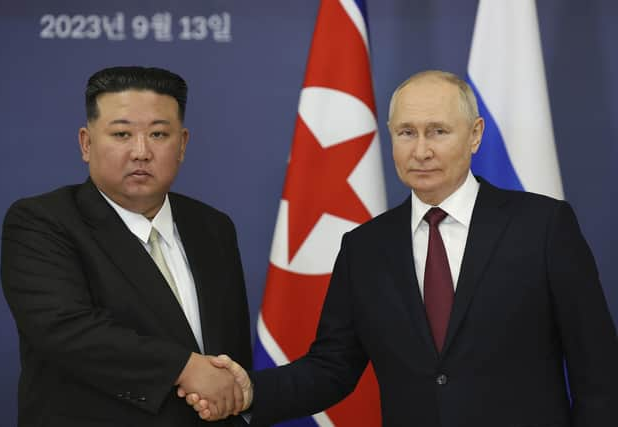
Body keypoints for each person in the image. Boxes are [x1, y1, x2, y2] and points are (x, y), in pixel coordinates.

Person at [187, 70, 618, 426]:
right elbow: (332, 368)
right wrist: (249, 390)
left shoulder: (542, 226)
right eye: (407, 132)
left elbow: (597, 370)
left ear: (475, 135)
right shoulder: (365, 248)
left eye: (439, 132)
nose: (421, 150)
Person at [0, 66, 252, 427]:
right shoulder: (42, 221)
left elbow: (229, 353)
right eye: (121, 134)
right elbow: (67, 330)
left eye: (158, 134)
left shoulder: (213, 227)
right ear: (86, 144)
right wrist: (184, 368)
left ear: (182, 144)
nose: (141, 151)